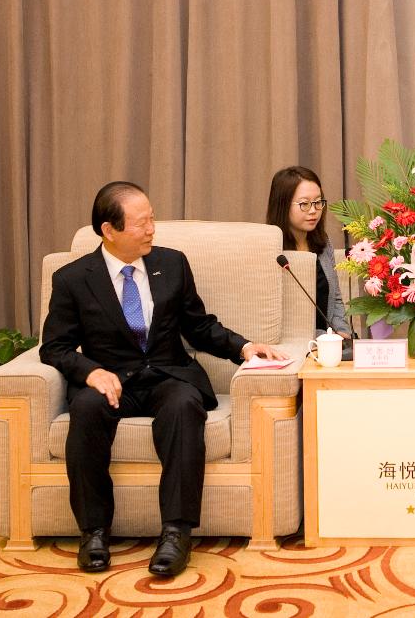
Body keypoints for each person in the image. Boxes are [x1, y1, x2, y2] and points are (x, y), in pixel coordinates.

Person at [40, 181, 288, 577]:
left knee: (183, 405)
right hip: (111, 380)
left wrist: (244, 347)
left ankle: (176, 532)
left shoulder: (171, 264)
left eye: (152, 218)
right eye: (142, 223)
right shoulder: (73, 278)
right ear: (109, 230)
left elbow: (199, 327)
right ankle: (93, 532)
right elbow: (54, 347)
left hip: (168, 374)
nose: (152, 229)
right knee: (85, 410)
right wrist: (91, 372)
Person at [266, 166, 350, 341]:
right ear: (282, 204)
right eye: (304, 204)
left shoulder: (323, 243)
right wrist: (325, 337)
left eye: (318, 202)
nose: (313, 210)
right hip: (295, 345)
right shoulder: (272, 252)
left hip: (330, 343)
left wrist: (343, 333)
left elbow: (335, 299)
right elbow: (284, 320)